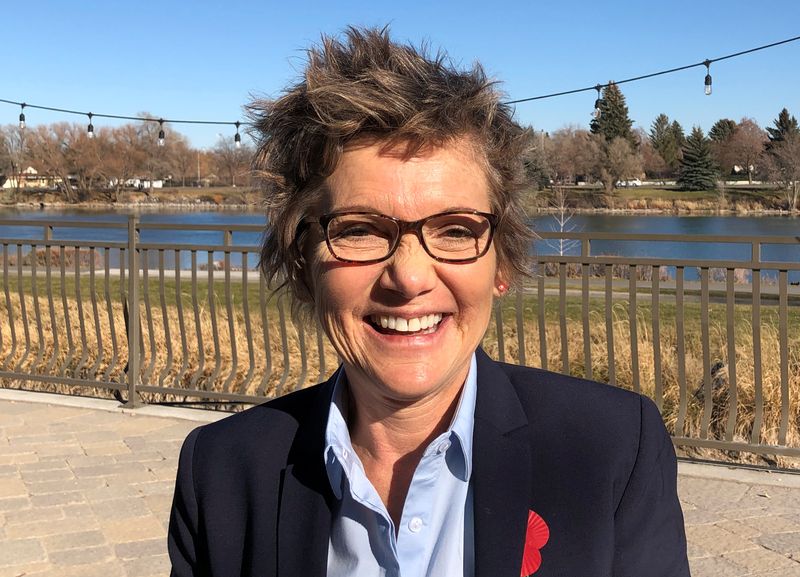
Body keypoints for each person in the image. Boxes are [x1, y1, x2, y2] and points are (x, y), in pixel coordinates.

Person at [168, 27, 689, 577]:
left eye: (456, 230)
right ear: (302, 265)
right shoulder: (221, 473)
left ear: (502, 265)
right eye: (361, 229)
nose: (409, 276)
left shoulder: (610, 451)